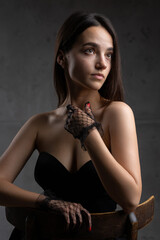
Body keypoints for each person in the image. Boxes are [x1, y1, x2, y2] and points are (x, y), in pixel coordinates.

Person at [0, 11, 142, 239]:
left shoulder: (117, 113)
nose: (102, 63)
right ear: (62, 57)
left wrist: (89, 133)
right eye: (90, 50)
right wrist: (45, 202)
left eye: (109, 55)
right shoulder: (40, 123)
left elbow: (130, 199)